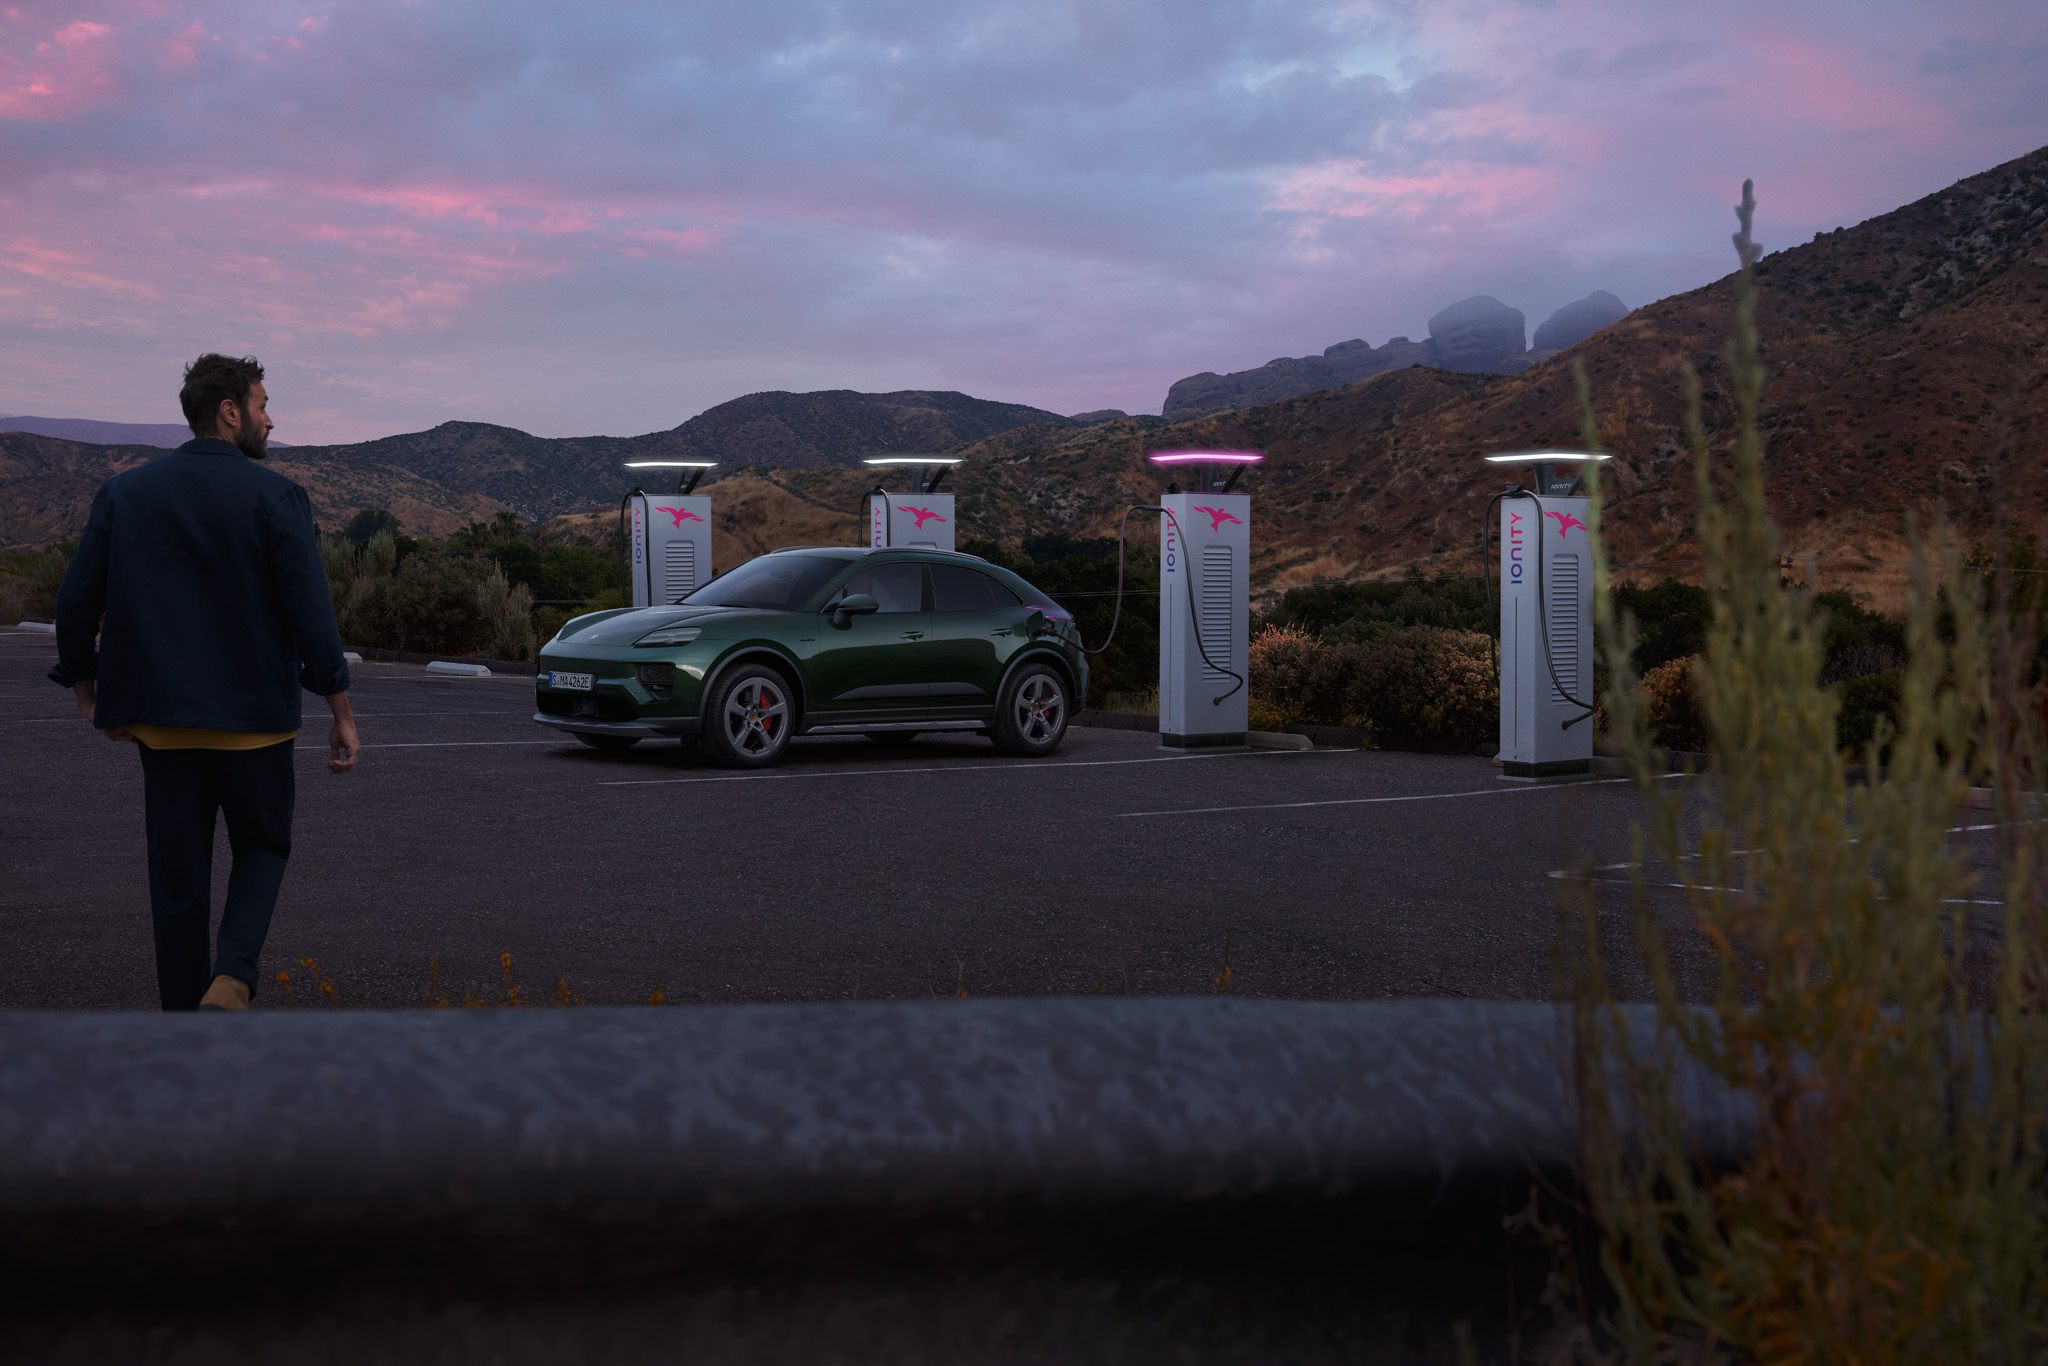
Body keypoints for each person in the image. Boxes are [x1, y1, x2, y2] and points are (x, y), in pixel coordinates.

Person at [49, 354, 360, 1012]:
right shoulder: (277, 497)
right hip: (256, 727)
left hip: (162, 727)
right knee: (264, 846)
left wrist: (86, 687)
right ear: (230, 411)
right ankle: (234, 974)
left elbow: (75, 603)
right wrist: (341, 708)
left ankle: (181, 1029)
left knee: (177, 883)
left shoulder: (125, 494)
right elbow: (311, 612)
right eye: (263, 404)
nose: (270, 420)